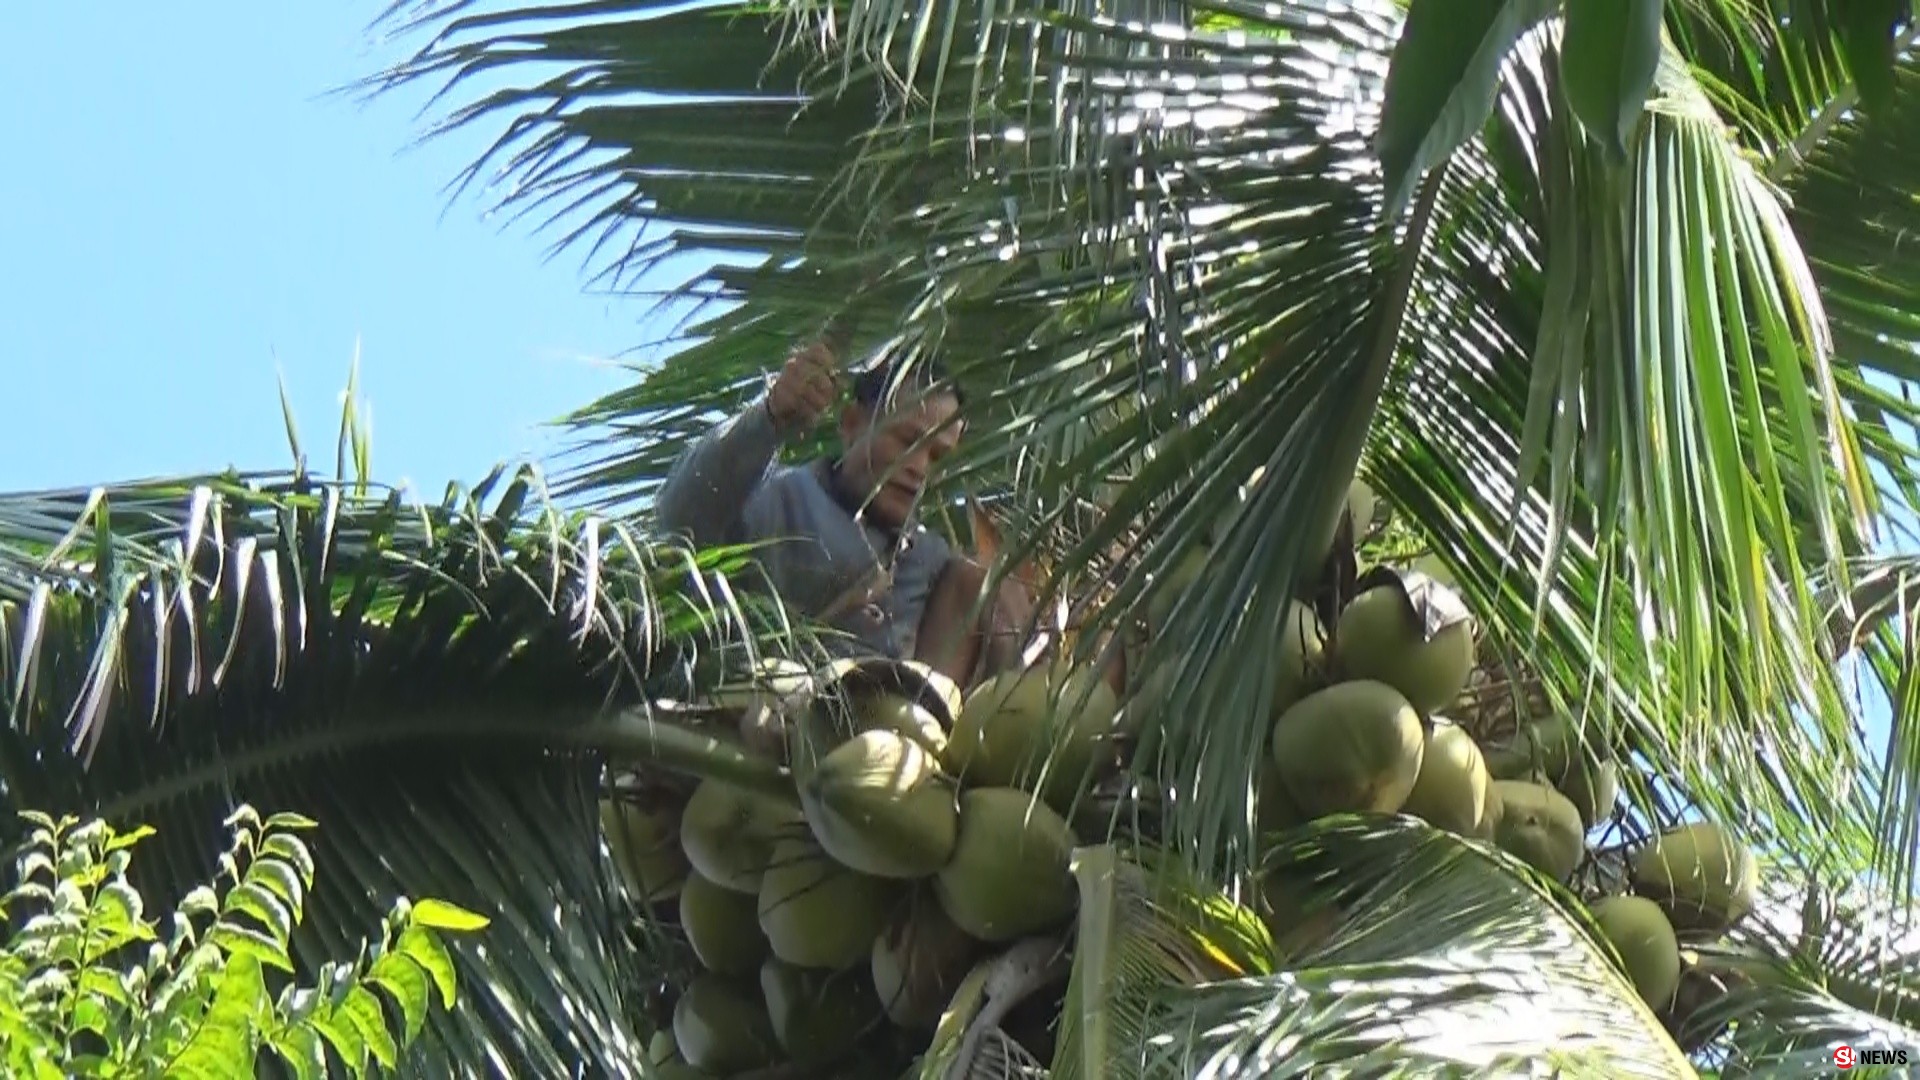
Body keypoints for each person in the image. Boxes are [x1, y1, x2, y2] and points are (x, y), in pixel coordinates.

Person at [653, 339, 1030, 677]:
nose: (919, 468)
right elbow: (680, 518)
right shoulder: (779, 496)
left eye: (936, 455)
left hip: (899, 745)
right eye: (907, 441)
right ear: (850, 424)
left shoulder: (932, 563)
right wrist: (768, 417)